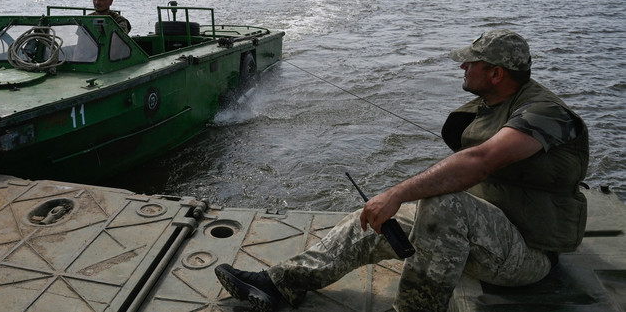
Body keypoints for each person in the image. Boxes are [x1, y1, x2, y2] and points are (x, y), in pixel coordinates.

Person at [215, 29, 588, 312]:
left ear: (495, 74)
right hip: (486, 237)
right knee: (376, 220)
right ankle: (280, 284)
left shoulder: (544, 112)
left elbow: (480, 161)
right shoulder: (490, 104)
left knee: (442, 205)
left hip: (527, 255)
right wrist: (391, 202)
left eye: (470, 63)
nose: (462, 67)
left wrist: (398, 193)